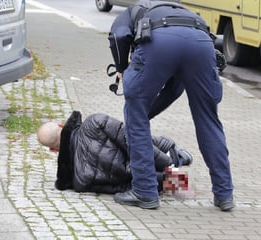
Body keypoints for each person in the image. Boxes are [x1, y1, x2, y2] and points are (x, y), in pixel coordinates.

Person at [108, 0, 234, 210]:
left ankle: (144, 191)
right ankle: (224, 194)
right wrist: (147, 114)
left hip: (159, 41)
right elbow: (175, 88)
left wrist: (122, 68)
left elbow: (118, 36)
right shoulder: (183, 11)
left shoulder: (131, 12)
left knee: (134, 112)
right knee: (208, 120)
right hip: (202, 43)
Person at [37, 111, 192, 194]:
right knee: (136, 136)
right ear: (61, 125)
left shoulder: (79, 180)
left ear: (53, 150)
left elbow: (119, 188)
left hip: (147, 177)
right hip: (152, 156)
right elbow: (131, 137)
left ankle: (175, 176)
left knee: (176, 180)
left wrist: (164, 181)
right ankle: (174, 156)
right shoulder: (93, 122)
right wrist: (167, 159)